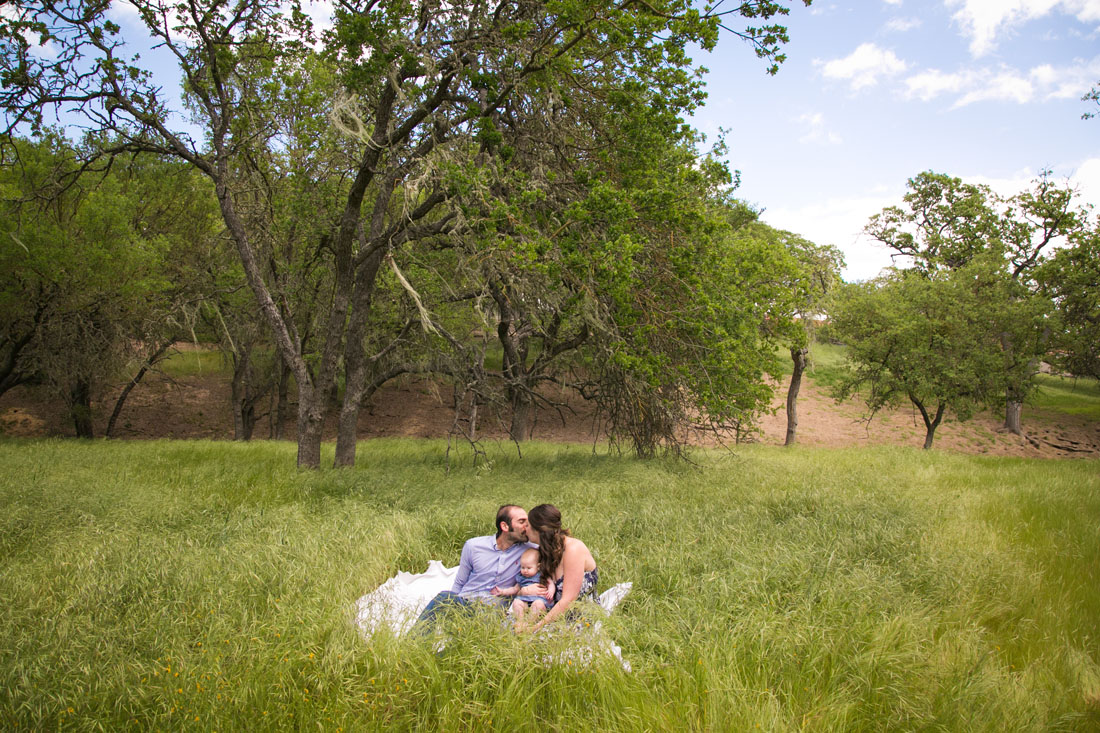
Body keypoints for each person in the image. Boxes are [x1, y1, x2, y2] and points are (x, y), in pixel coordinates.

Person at [415, 504, 536, 628]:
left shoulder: (530, 551)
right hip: (466, 604)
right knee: (444, 598)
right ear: (505, 526)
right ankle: (413, 644)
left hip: (491, 615)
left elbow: (551, 546)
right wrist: (449, 610)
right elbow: (459, 583)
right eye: (522, 522)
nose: (527, 526)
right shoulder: (473, 546)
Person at [523, 504, 598, 634]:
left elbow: (568, 600)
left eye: (528, 525)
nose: (525, 529)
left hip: (580, 618)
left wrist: (534, 628)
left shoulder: (573, 549)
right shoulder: (545, 550)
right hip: (552, 614)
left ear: (539, 530)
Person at [490, 547, 554, 630]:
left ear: (538, 567)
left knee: (538, 604)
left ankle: (529, 622)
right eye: (522, 567)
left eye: (528, 568)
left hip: (540, 600)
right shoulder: (521, 577)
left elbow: (551, 583)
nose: (525, 571)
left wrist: (551, 591)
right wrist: (503, 591)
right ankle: (520, 621)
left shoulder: (542, 575)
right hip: (524, 600)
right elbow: (515, 589)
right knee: (516, 602)